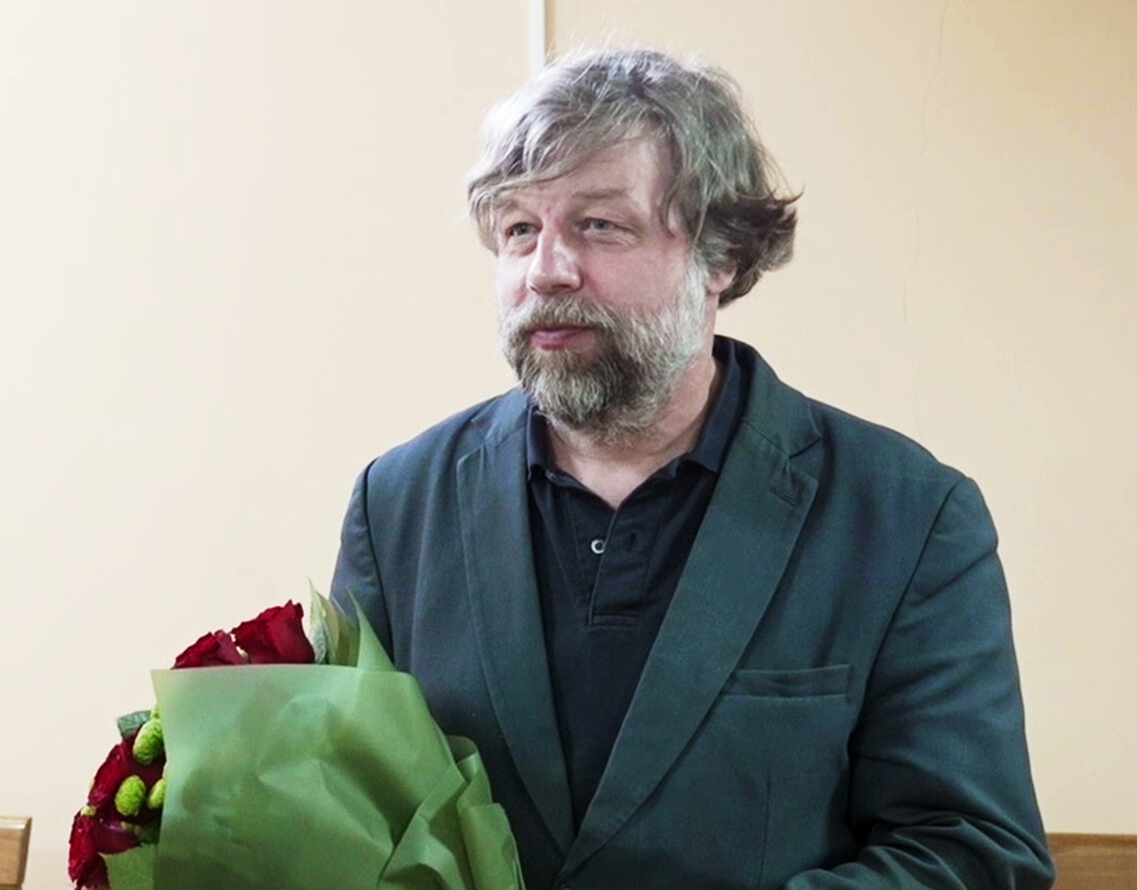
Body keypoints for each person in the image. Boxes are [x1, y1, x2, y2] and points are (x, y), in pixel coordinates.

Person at [332, 48, 1053, 889]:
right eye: (519, 230)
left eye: (599, 225)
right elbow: (345, 813)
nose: (546, 270)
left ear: (721, 256)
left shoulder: (908, 517)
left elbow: (971, 851)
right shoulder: (398, 504)